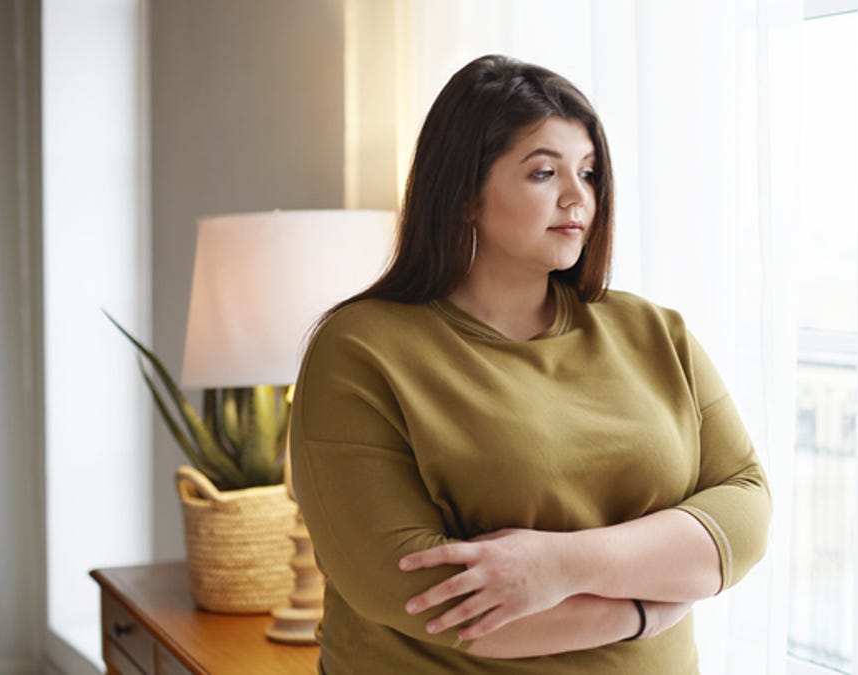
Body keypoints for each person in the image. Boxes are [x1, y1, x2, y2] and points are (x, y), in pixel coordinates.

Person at [289, 54, 770, 674]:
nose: (578, 198)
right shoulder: (360, 350)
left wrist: (562, 566)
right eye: (544, 172)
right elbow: (433, 601)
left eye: (590, 173)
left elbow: (745, 511)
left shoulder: (653, 331)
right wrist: (649, 609)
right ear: (464, 194)